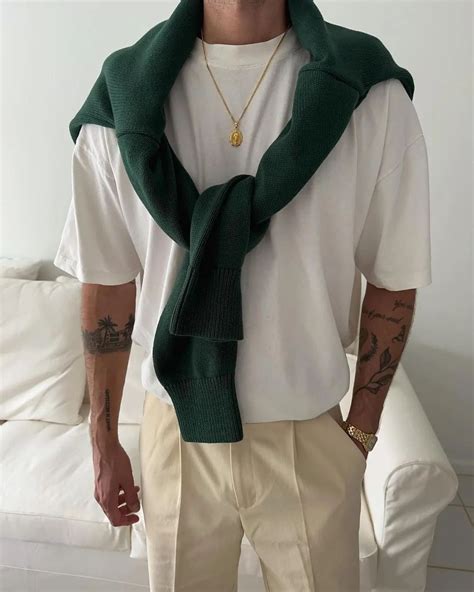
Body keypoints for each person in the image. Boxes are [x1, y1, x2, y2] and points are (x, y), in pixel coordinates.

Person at [54, 0, 432, 589]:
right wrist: (102, 442)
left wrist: (359, 433)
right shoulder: (120, 100)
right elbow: (106, 284)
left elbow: (394, 277)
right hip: (174, 434)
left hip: (309, 437)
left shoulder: (368, 93)